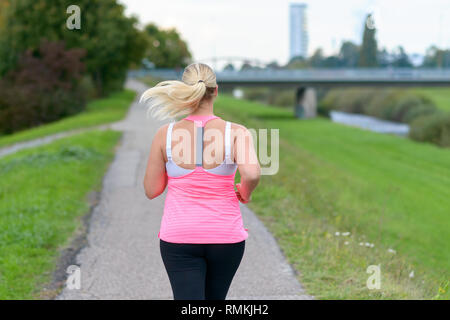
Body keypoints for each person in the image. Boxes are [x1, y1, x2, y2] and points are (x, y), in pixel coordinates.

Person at [141, 63, 261, 300]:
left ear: (186, 92)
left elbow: (152, 190)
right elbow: (253, 174)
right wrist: (245, 192)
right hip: (225, 238)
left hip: (179, 237)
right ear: (216, 90)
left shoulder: (165, 135)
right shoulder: (236, 132)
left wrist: (175, 170)